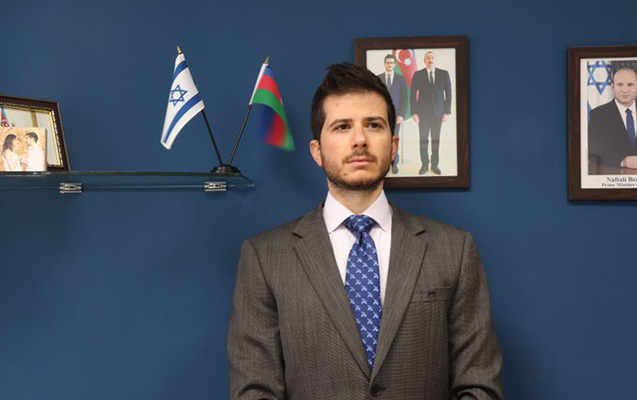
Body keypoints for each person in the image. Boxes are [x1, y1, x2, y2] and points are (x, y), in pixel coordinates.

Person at [227, 63, 503, 400]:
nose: (359, 139)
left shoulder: (454, 249)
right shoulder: (265, 258)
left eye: (373, 125)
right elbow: (255, 391)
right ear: (317, 151)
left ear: (394, 145)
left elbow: (478, 385)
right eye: (342, 126)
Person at [588, 67, 637, 174]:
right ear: (612, 87)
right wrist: (624, 161)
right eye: (620, 84)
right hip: (612, 175)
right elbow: (593, 152)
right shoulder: (598, 114)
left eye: (630, 85)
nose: (625, 90)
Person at [410, 51, 452, 175]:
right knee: (423, 140)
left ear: (435, 59)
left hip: (438, 114)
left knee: (435, 140)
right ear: (424, 60)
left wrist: (446, 112)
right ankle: (424, 164)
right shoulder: (418, 75)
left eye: (432, 57)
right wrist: (414, 112)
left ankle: (435, 165)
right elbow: (412, 94)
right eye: (428, 58)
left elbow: (449, 94)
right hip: (422, 114)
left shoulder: (444, 74)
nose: (430, 59)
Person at [377, 54, 407, 174]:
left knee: (393, 139)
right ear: (385, 64)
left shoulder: (400, 79)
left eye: (391, 63)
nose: (389, 65)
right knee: (382, 139)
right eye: (387, 62)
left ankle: (394, 163)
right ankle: (383, 165)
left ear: (394, 65)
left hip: (396, 116)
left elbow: (404, 98)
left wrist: (401, 115)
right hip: (381, 116)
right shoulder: (378, 78)